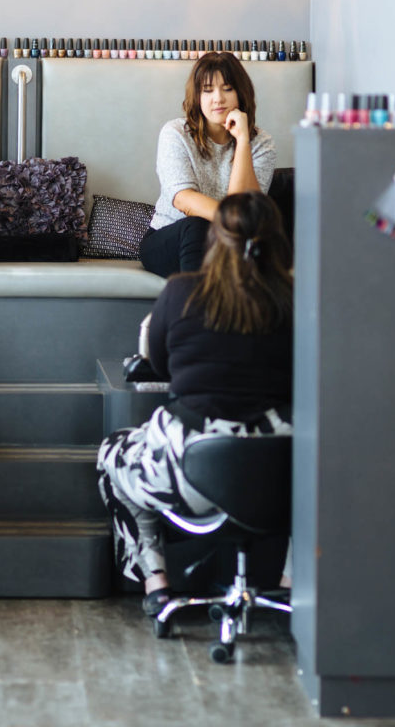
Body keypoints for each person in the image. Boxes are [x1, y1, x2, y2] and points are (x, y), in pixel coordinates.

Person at [97, 191, 293, 618]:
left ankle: (156, 583)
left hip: (191, 479)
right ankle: (289, 583)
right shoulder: (298, 301)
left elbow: (161, 366)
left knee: (114, 452)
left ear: (214, 239)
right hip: (283, 482)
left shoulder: (181, 292)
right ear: (278, 241)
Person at [140, 52, 276, 278]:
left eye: (227, 88)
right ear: (197, 96)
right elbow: (184, 200)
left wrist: (242, 141)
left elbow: (242, 206)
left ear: (241, 94)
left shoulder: (261, 143)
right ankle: (199, 310)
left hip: (227, 242)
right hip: (170, 239)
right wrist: (233, 222)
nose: (218, 98)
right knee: (198, 226)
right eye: (208, 90)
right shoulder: (175, 133)